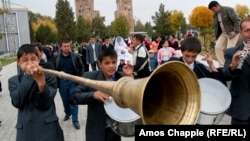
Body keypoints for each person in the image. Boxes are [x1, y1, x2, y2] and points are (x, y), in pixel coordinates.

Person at [68, 49, 134, 141]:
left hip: (115, 131)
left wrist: (130, 78)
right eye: (107, 63)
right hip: (96, 131)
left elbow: (133, 99)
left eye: (113, 62)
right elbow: (72, 96)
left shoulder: (122, 77)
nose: (111, 66)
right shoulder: (89, 77)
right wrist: (93, 95)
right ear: (100, 64)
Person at [8, 44, 64, 141]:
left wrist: (41, 84)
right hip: (25, 132)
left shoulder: (49, 77)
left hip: (48, 130)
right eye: (25, 60)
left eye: (33, 59)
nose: (30, 63)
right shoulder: (13, 81)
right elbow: (17, 101)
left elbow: (45, 104)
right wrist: (29, 77)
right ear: (18, 62)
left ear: (38, 59)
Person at [222, 18, 250, 125]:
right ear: (241, 33)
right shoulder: (231, 52)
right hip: (241, 109)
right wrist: (233, 65)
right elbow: (225, 76)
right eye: (247, 30)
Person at [53, 39, 84, 129]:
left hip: (73, 81)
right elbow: (54, 69)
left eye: (68, 46)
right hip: (62, 82)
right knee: (65, 101)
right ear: (61, 47)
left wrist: (80, 79)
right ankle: (67, 112)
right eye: (65, 46)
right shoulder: (56, 57)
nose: (67, 48)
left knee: (74, 101)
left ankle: (75, 120)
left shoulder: (75, 56)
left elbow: (81, 67)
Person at [208, 1, 241, 67]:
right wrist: (216, 36)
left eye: (213, 9)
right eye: (212, 10)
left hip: (232, 32)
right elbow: (217, 27)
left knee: (229, 50)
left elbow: (237, 21)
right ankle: (222, 65)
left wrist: (235, 31)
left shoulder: (228, 9)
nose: (213, 11)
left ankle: (230, 65)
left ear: (217, 6)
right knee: (218, 47)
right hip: (223, 33)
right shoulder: (215, 15)